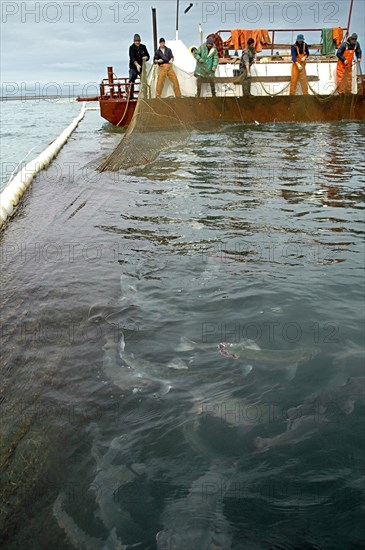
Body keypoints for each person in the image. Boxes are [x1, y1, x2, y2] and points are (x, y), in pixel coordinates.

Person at [128, 34, 150, 98]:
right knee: (132, 80)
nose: (137, 42)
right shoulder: (131, 48)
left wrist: (146, 57)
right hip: (133, 67)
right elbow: (132, 58)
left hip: (142, 67)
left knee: (144, 80)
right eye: (136, 41)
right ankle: (131, 96)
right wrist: (137, 65)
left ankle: (145, 95)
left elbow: (148, 56)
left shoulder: (143, 47)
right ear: (134, 41)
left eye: (138, 41)